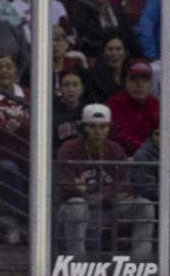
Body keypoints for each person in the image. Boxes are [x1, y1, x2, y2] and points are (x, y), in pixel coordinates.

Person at [58, 103, 155, 257]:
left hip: (109, 208)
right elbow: (67, 185)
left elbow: (124, 186)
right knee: (76, 205)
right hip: (80, 211)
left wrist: (92, 192)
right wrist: (109, 192)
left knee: (144, 205)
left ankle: (141, 262)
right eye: (92, 127)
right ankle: (76, 264)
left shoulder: (116, 149)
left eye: (103, 127)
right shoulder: (69, 148)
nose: (98, 132)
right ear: (83, 128)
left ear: (109, 129)